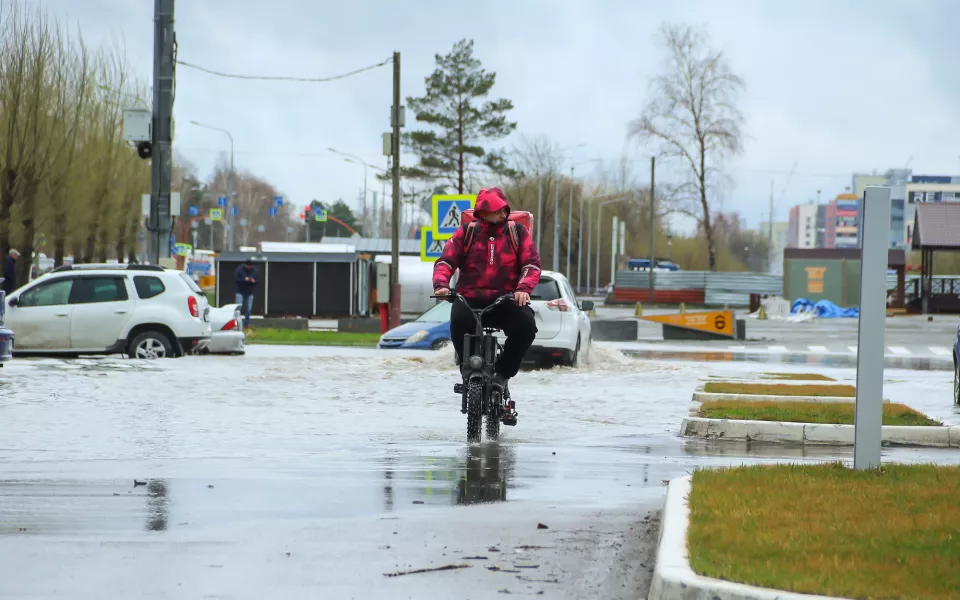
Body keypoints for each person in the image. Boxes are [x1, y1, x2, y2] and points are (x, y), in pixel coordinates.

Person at [433, 187, 541, 425]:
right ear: (482, 213)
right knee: (458, 321)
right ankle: (466, 368)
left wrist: (523, 289)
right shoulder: (466, 233)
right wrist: (441, 284)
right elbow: (445, 260)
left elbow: (532, 265)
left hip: (507, 299)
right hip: (470, 298)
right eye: (494, 211)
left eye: (503, 210)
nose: (500, 215)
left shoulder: (518, 232)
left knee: (526, 326)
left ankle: (502, 373)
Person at [234, 258, 258, 330]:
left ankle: (247, 324)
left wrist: (253, 281)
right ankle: (237, 323)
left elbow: (257, 279)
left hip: (249, 292)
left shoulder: (254, 271)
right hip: (240, 291)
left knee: (249, 309)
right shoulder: (240, 270)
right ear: (245, 265)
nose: (250, 267)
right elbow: (236, 279)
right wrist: (244, 279)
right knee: (238, 308)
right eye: (248, 266)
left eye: (251, 266)